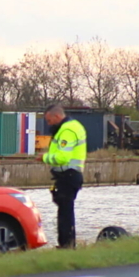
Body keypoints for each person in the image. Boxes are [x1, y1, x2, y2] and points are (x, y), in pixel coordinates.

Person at [41, 105, 87, 248]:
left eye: (49, 121)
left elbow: (62, 157)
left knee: (65, 212)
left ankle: (67, 245)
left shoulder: (67, 131)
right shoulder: (74, 126)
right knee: (65, 210)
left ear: (57, 116)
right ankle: (67, 244)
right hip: (70, 175)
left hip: (68, 175)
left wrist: (44, 158)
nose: (49, 124)